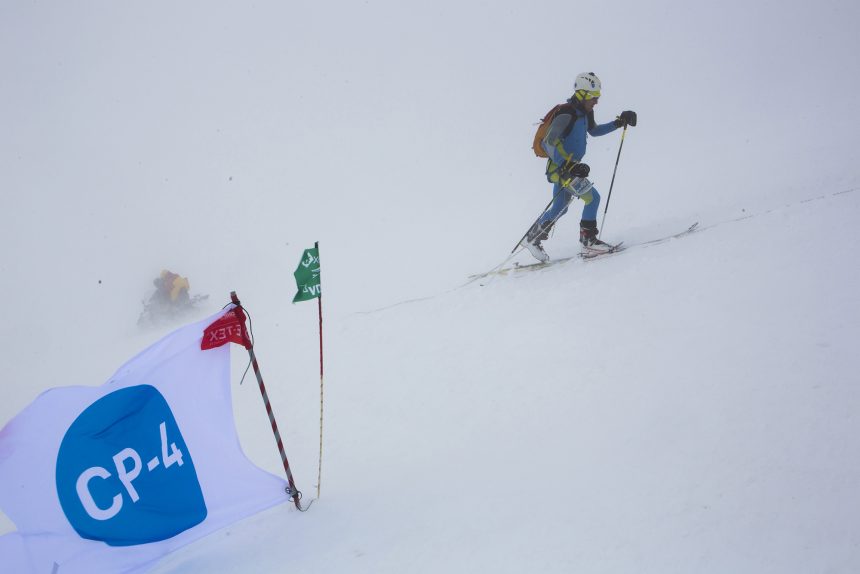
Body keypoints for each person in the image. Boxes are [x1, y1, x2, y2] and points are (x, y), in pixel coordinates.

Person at [523, 72, 637, 261]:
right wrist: (567, 165)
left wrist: (619, 123)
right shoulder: (566, 113)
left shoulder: (584, 113)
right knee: (593, 198)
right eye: (594, 98)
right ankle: (588, 242)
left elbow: (594, 131)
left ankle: (531, 238)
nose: (596, 102)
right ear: (583, 94)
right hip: (563, 169)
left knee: (561, 206)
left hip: (568, 168)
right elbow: (549, 142)